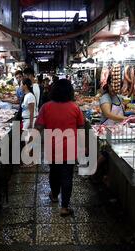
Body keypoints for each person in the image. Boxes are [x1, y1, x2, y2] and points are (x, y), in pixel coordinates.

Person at [35, 79, 85, 216]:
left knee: (54, 173)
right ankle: (64, 207)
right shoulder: (75, 107)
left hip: (52, 147)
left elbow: (38, 127)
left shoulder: (45, 107)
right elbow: (81, 127)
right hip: (70, 148)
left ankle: (55, 195)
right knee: (67, 176)